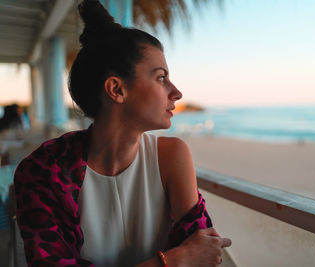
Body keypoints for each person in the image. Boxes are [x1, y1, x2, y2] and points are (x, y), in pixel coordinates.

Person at [13, 0, 231, 266]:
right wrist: (175, 259)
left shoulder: (172, 157)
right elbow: (192, 254)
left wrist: (190, 256)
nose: (176, 92)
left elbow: (206, 254)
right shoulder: (44, 170)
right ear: (117, 90)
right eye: (161, 78)